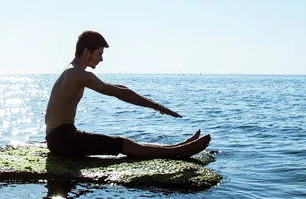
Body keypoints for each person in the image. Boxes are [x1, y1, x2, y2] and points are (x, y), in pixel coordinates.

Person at [44, 31, 211, 158]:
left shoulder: (72, 71)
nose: (101, 59)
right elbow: (119, 93)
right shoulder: (79, 74)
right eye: (99, 54)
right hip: (63, 140)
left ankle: (177, 146)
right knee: (122, 144)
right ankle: (178, 152)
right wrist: (155, 105)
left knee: (123, 143)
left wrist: (152, 103)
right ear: (87, 51)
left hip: (58, 139)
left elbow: (119, 88)